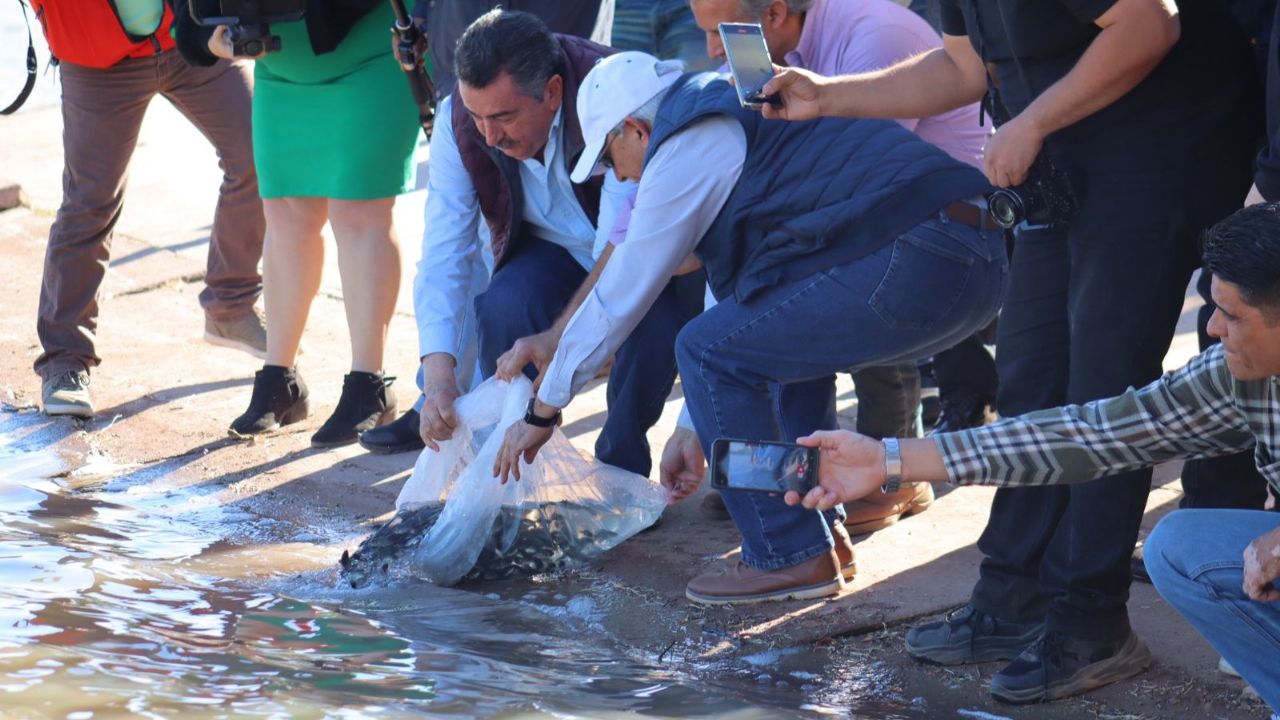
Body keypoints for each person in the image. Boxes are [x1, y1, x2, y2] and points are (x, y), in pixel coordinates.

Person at [760, 0, 1259, 701]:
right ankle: (1013, 593)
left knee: (1105, 389)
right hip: (1052, 165)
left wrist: (1032, 122)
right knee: (1029, 378)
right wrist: (827, 95)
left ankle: (1091, 623)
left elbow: (1150, 23)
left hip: (1156, 150)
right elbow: (960, 67)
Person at [493, 50, 1007, 605]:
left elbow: (620, 296)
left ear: (636, 130)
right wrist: (694, 430)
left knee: (704, 351)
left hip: (924, 253)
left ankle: (786, 553)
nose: (618, 176)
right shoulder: (728, 111)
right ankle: (817, 535)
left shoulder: (685, 143)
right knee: (764, 354)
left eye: (610, 159)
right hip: (975, 250)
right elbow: (744, 310)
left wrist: (543, 409)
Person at [784, 202, 1280, 712]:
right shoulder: (1233, 375)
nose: (1212, 329)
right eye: (1214, 307)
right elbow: (1090, 436)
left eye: (1233, 315)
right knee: (1180, 547)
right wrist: (889, 460)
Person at [682, 0, 991, 535]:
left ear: (775, 13)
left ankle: (888, 482)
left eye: (722, 33)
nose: (713, 52)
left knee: (828, 279)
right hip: (915, 222)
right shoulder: (783, 51)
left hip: (955, 232)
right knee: (781, 289)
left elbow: (859, 187)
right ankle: (792, 486)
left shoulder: (875, 35)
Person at [372, 10, 699, 478]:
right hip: (553, 253)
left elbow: (622, 256)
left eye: (504, 117)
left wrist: (559, 344)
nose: (489, 136)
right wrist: (439, 377)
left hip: (644, 254)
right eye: (478, 117)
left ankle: (620, 472)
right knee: (504, 304)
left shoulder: (614, 97)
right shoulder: (456, 119)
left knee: (647, 324)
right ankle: (510, 468)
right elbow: (446, 252)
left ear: (553, 92)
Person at [174, 0, 422, 447]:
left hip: (372, 51)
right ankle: (280, 378)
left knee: (359, 210)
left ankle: (370, 385)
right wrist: (202, 31)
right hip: (277, 61)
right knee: (286, 211)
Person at [31, 0, 265, 418]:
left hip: (190, 33)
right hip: (95, 55)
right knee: (89, 202)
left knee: (261, 155)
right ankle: (65, 361)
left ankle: (231, 304)